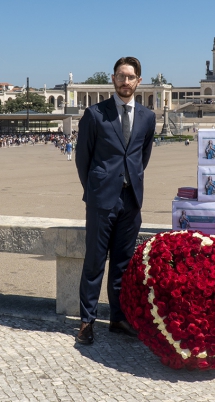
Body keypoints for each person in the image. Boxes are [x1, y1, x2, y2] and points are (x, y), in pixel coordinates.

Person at [74, 56, 156, 345]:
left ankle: (118, 318)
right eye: (121, 76)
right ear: (113, 79)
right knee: (95, 262)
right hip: (101, 200)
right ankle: (86, 321)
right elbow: (82, 158)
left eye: (130, 77)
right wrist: (95, 190)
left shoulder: (147, 117)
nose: (125, 81)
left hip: (131, 200)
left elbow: (141, 157)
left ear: (138, 81)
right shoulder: (95, 114)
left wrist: (128, 181)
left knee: (123, 263)